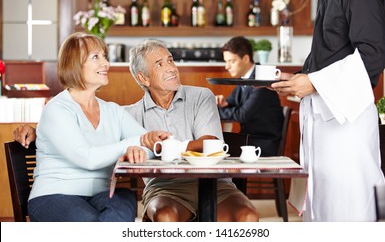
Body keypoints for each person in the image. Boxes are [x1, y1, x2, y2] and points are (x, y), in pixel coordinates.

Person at [271, 0, 385, 221]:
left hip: (347, 119)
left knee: (348, 204)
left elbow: (373, 55)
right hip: (326, 115)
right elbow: (330, 52)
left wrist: (313, 83)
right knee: (324, 202)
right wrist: (301, 77)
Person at [25, 32, 167, 222]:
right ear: (74, 64)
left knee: (123, 201)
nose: (106, 64)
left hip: (99, 195)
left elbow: (151, 144)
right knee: (93, 222)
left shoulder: (112, 111)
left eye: (104, 57)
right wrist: (135, 143)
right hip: (54, 195)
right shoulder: (57, 109)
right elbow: (87, 158)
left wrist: (140, 149)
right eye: (96, 57)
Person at [127, 39, 259, 222]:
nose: (171, 67)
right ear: (144, 78)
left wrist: (166, 147)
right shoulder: (130, 114)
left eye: (171, 60)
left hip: (216, 184)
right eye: (160, 64)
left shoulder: (201, 96)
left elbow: (210, 143)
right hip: (164, 187)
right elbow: (117, 153)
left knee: (247, 216)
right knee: (165, 216)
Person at [216, 36, 283, 156]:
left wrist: (213, 112)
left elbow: (242, 114)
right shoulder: (245, 78)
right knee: (213, 145)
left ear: (246, 58)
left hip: (262, 143)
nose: (227, 67)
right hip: (249, 139)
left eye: (231, 61)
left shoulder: (261, 80)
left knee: (214, 148)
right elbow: (230, 102)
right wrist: (223, 103)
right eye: (226, 62)